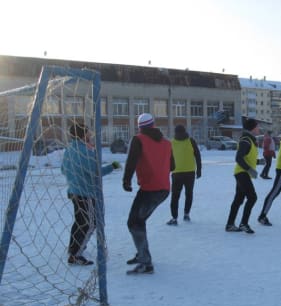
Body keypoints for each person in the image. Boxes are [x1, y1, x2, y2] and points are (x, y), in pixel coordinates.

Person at [61, 123, 120, 266]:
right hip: (85, 193)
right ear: (83, 135)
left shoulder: (69, 149)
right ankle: (75, 254)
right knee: (89, 224)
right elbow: (96, 172)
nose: (90, 135)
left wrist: (75, 178)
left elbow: (63, 169)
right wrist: (112, 167)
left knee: (79, 221)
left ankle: (73, 247)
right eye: (88, 133)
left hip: (74, 191)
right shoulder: (85, 151)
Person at [123, 113, 175, 274]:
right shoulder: (167, 143)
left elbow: (131, 160)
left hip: (149, 190)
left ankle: (146, 263)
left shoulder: (138, 139)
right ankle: (141, 254)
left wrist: (126, 180)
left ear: (140, 127)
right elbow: (172, 166)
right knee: (140, 220)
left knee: (134, 222)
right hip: (164, 189)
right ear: (153, 125)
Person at [225, 118, 263, 234]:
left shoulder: (250, 140)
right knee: (252, 197)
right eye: (257, 127)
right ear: (252, 128)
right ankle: (243, 223)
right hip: (242, 173)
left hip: (242, 173)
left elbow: (246, 157)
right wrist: (249, 170)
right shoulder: (246, 140)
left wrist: (257, 162)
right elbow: (238, 158)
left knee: (239, 199)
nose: (258, 129)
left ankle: (230, 224)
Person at [167, 124, 202, 225]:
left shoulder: (172, 142)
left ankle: (174, 218)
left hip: (177, 173)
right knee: (188, 194)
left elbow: (168, 158)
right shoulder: (190, 141)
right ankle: (186, 214)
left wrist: (167, 170)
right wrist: (199, 170)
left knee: (175, 196)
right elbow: (198, 155)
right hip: (189, 172)